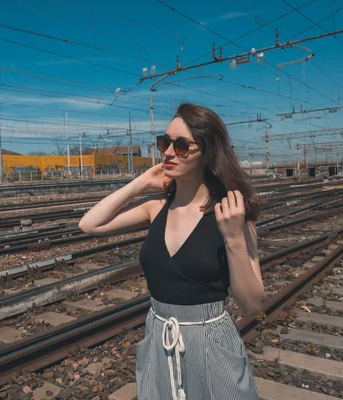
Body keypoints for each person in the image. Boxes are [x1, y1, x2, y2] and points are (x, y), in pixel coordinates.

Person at [79, 103, 263, 400]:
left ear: (208, 151)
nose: (167, 152)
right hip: (160, 337)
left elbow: (252, 304)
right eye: (164, 142)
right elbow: (90, 224)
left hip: (210, 341)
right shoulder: (156, 208)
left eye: (181, 145)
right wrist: (142, 181)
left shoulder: (231, 213)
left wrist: (234, 239)